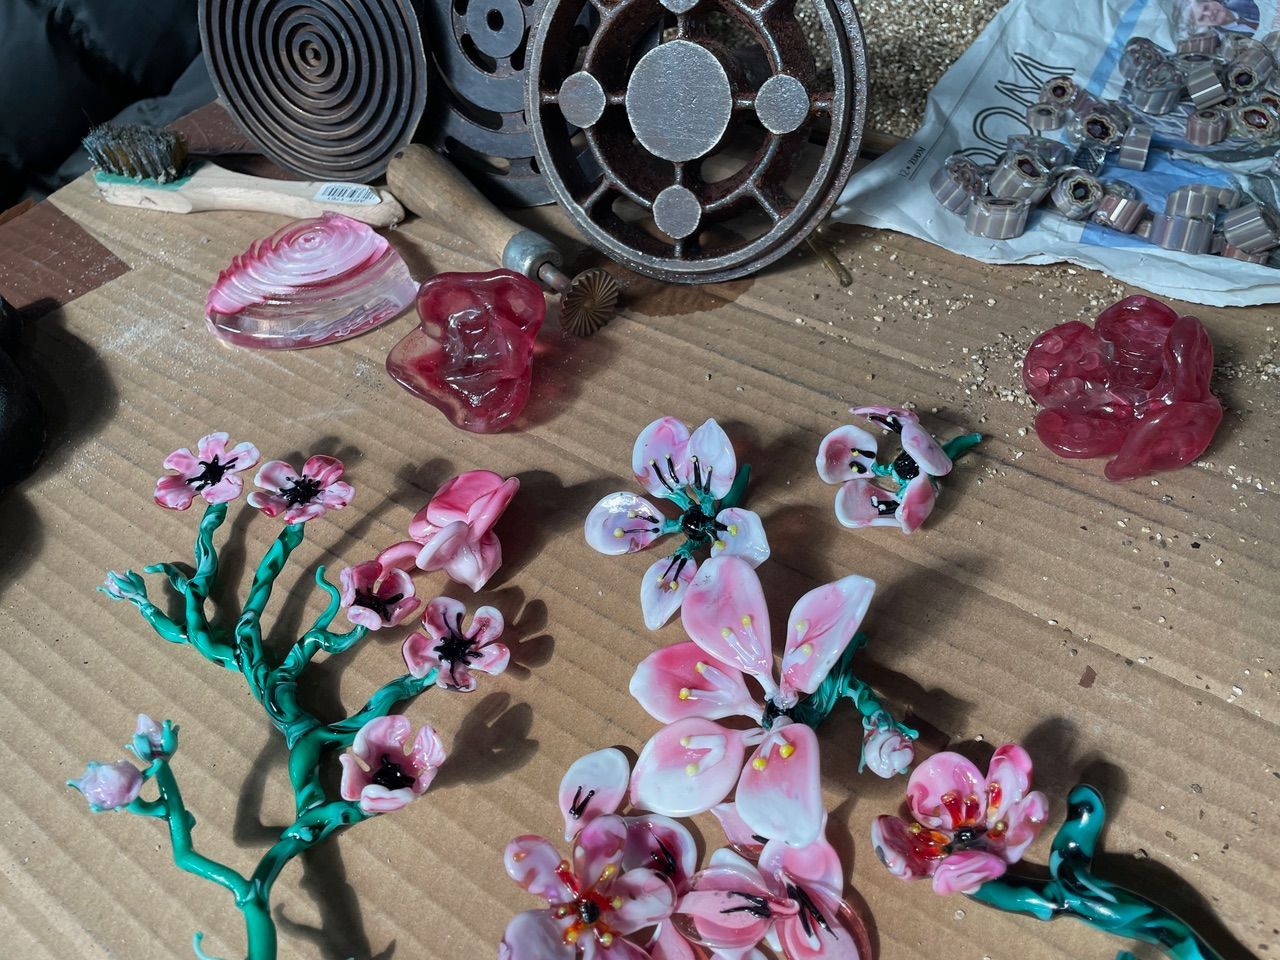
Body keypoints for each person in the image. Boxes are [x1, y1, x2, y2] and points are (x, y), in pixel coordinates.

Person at [1180, 0, 1263, 33]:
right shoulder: (1227, 41)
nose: (1209, 14)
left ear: (1212, 1)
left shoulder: (1243, 1)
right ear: (1202, 25)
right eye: (1202, 18)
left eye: (1206, 7)